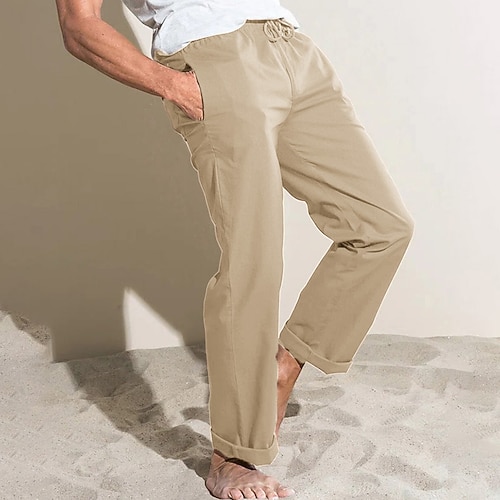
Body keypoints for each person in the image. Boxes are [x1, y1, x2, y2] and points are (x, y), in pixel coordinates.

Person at [55, 1, 414, 498]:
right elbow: (79, 25)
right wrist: (172, 84)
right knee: (253, 261)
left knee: (381, 226)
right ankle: (232, 457)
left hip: (292, 47)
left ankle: (283, 367)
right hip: (215, 57)